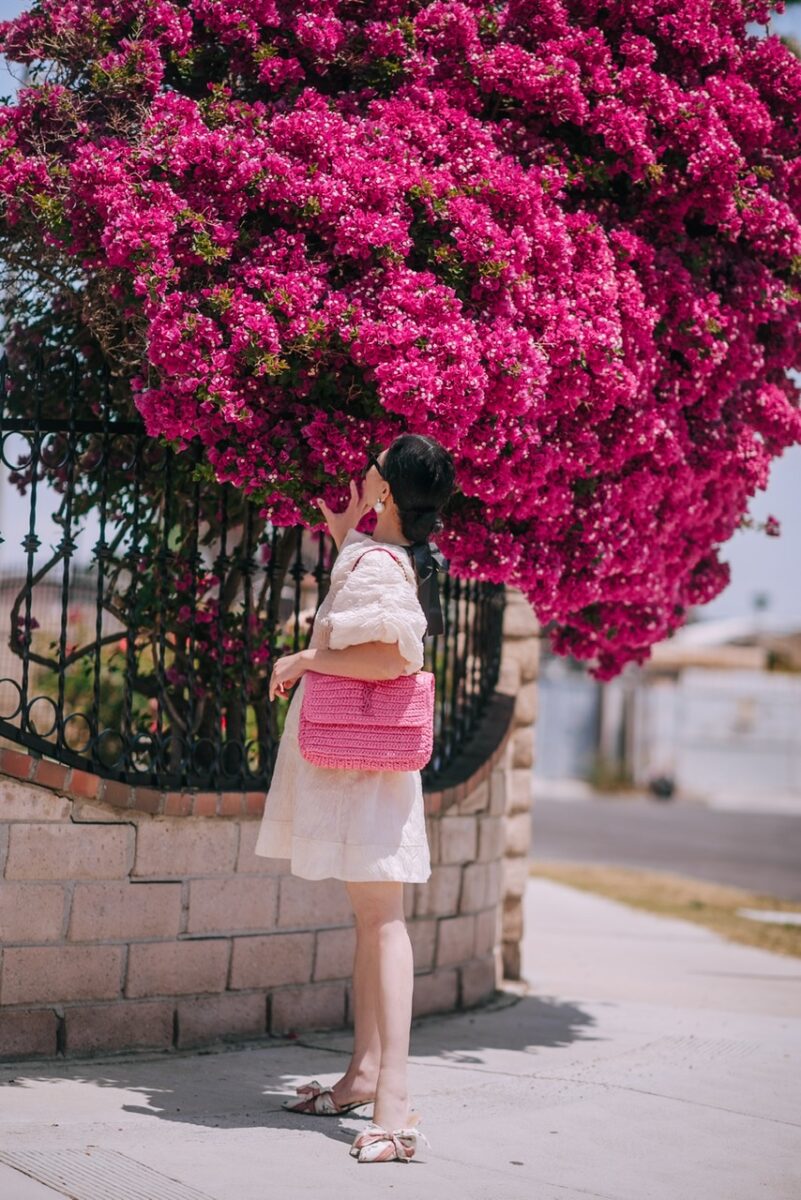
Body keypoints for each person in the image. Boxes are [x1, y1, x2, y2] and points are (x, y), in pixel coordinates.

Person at [256, 432, 455, 1164]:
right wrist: (349, 527)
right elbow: (373, 582)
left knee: (383, 922)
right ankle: (363, 1075)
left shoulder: (377, 565)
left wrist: (308, 656)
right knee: (372, 920)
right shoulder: (380, 555)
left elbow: (393, 652)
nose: (359, 474)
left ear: (387, 489)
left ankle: (394, 1106)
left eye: (371, 470)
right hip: (363, 769)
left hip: (366, 774)